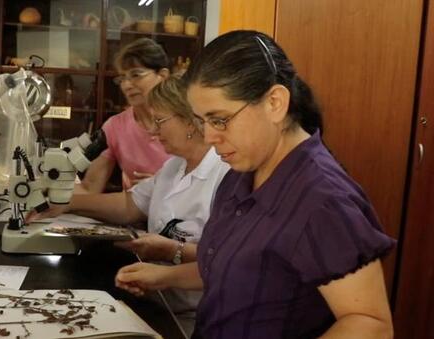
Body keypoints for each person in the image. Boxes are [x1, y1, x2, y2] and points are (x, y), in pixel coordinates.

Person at [115, 30, 395, 339]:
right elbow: (235, 269)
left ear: (275, 103)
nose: (209, 136)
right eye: (202, 121)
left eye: (219, 119)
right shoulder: (239, 175)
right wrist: (163, 277)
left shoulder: (323, 201)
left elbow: (369, 323)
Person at [28, 77, 230, 335]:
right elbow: (129, 204)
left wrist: (170, 251)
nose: (153, 132)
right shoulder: (174, 166)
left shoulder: (224, 175)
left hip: (194, 317)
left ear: (189, 120)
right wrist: (65, 204)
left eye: (160, 121)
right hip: (156, 299)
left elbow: (227, 260)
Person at [79, 38, 171, 193]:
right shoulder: (115, 127)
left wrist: (161, 186)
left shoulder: (188, 121)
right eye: (122, 78)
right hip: (131, 214)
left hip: (183, 214)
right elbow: (90, 188)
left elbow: (208, 183)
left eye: (136, 75)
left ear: (162, 75)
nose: (127, 85)